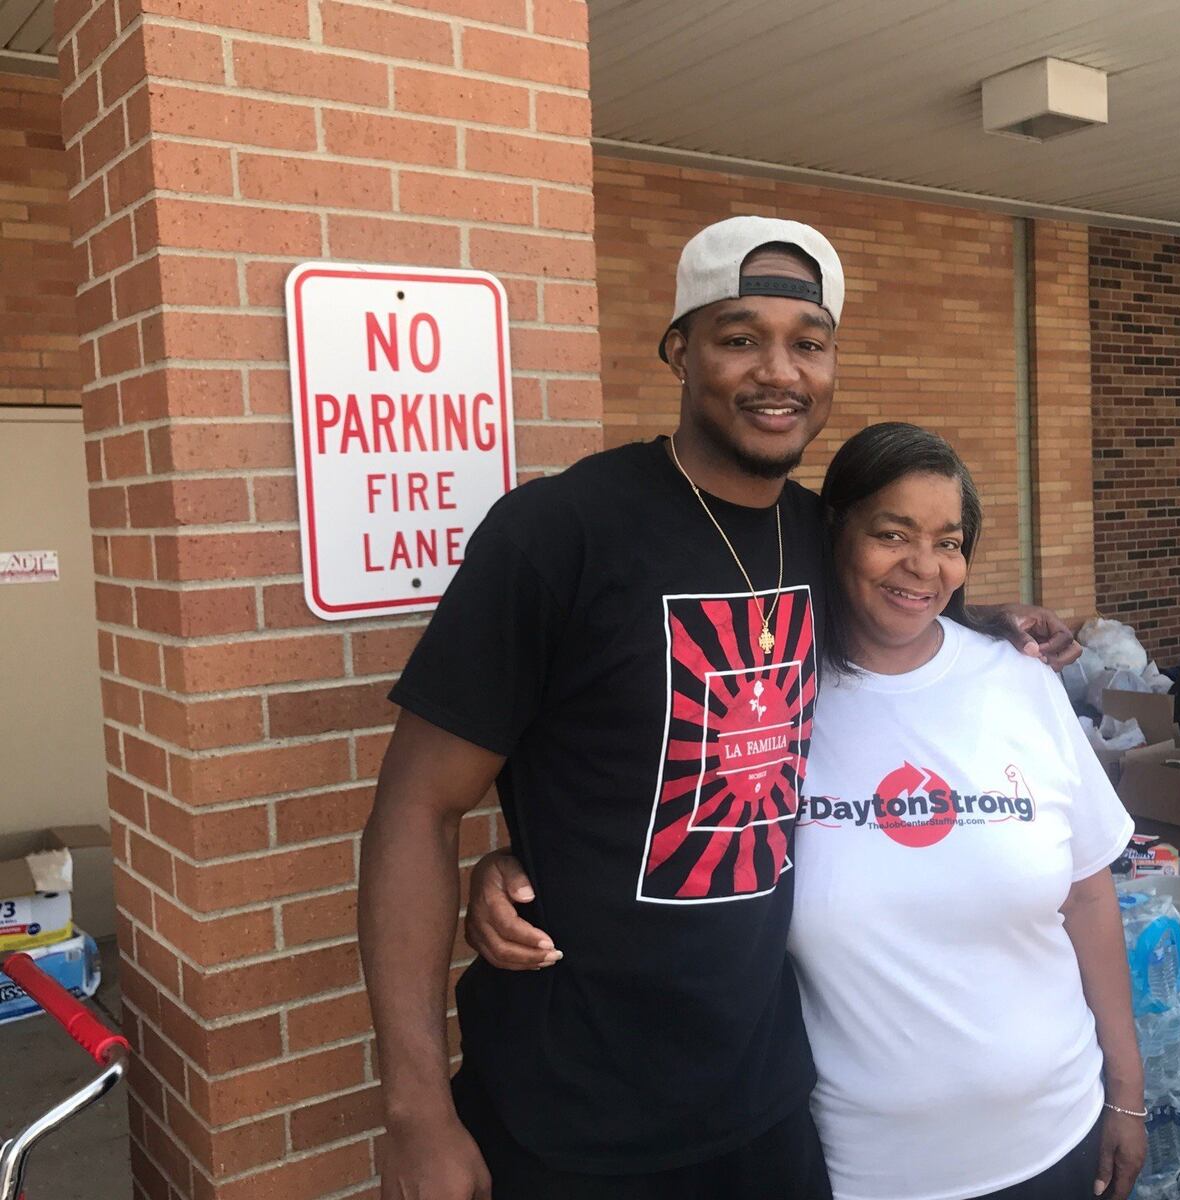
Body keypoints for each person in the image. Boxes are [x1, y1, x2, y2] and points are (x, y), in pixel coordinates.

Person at [358, 217, 1079, 1200]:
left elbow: (894, 605)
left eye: (807, 342)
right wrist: (414, 1111)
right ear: (679, 350)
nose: (778, 371)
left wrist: (992, 618)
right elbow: (414, 807)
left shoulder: (816, 537)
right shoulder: (559, 532)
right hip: (570, 1112)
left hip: (769, 1101)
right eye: (740, 337)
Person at [470, 424, 1149, 1200]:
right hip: (857, 1164)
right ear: (834, 533)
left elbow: (1090, 896)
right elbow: (649, 807)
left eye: (948, 542)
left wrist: (1125, 1091)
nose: (923, 565)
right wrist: (517, 865)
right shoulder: (767, 692)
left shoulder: (1019, 683)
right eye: (891, 534)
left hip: (1054, 1136)